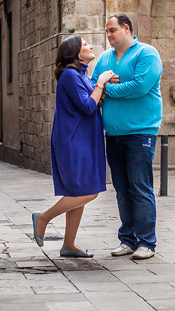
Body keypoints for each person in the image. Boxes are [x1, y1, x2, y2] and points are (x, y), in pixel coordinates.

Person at [32, 36, 114, 258]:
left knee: (79, 189)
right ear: (76, 53)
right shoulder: (70, 75)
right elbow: (88, 106)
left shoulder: (80, 75)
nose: (90, 46)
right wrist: (101, 83)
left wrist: (103, 86)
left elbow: (90, 100)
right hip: (74, 140)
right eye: (85, 44)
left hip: (84, 138)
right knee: (90, 192)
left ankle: (68, 244)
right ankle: (44, 217)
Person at [91, 14, 163, 261]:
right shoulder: (104, 58)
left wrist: (108, 88)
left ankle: (147, 242)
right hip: (113, 134)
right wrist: (105, 86)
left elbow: (140, 86)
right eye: (107, 32)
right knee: (122, 189)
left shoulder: (147, 54)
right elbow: (93, 87)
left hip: (141, 132)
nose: (109, 36)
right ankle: (128, 239)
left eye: (112, 30)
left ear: (126, 28)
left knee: (140, 188)